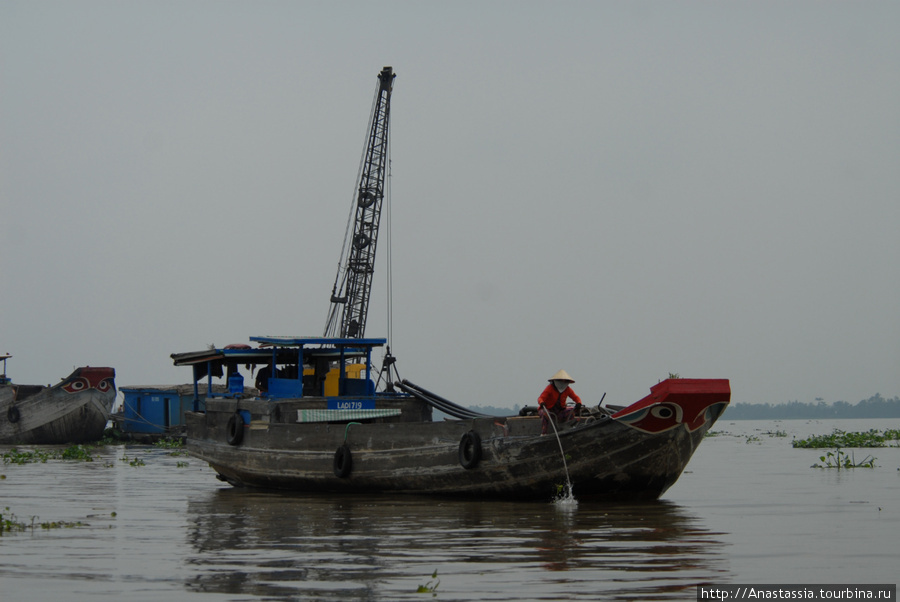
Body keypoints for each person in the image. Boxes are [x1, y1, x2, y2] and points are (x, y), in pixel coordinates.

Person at [538, 369, 583, 435]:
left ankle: (566, 427)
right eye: (560, 381)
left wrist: (579, 403)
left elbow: (576, 397)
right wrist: (541, 402)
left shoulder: (568, 389)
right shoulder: (550, 388)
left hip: (559, 412)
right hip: (549, 410)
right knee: (545, 414)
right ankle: (544, 433)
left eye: (565, 381)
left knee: (571, 411)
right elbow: (541, 398)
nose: (562, 383)